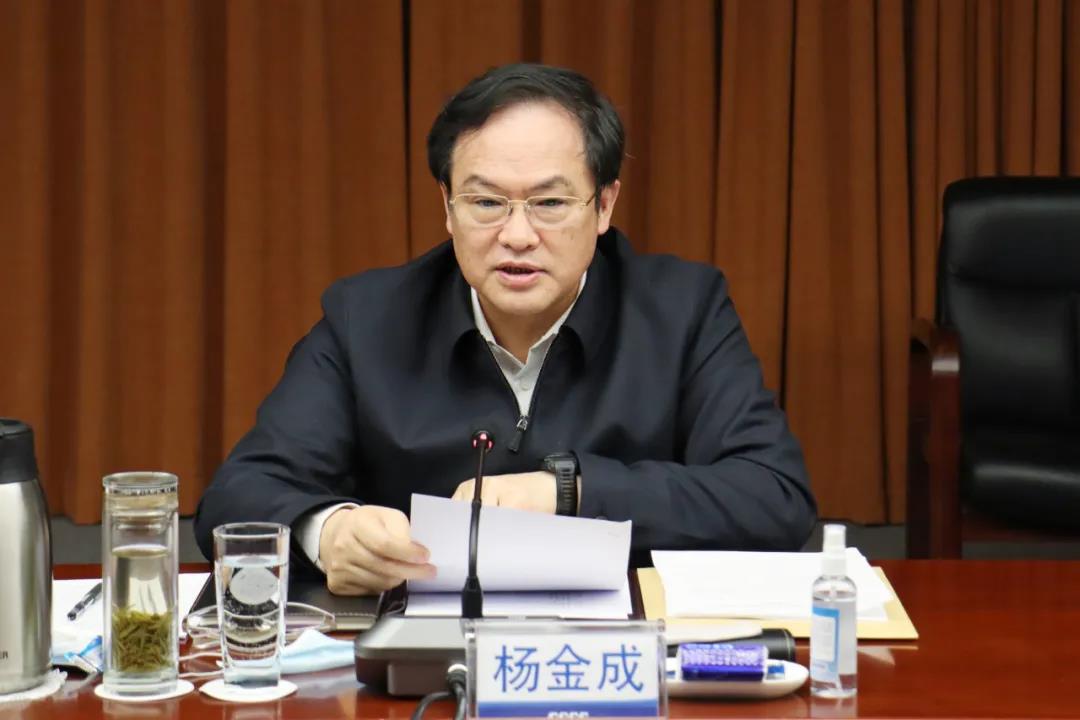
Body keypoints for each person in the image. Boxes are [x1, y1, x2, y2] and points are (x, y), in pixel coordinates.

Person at [194, 63, 816, 595]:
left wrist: (569, 493)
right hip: (423, 652)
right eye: (487, 203)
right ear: (448, 207)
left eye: (550, 203)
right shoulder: (368, 318)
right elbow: (237, 496)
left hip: (621, 651)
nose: (517, 236)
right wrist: (326, 531)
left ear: (604, 205)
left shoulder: (682, 311)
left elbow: (774, 497)